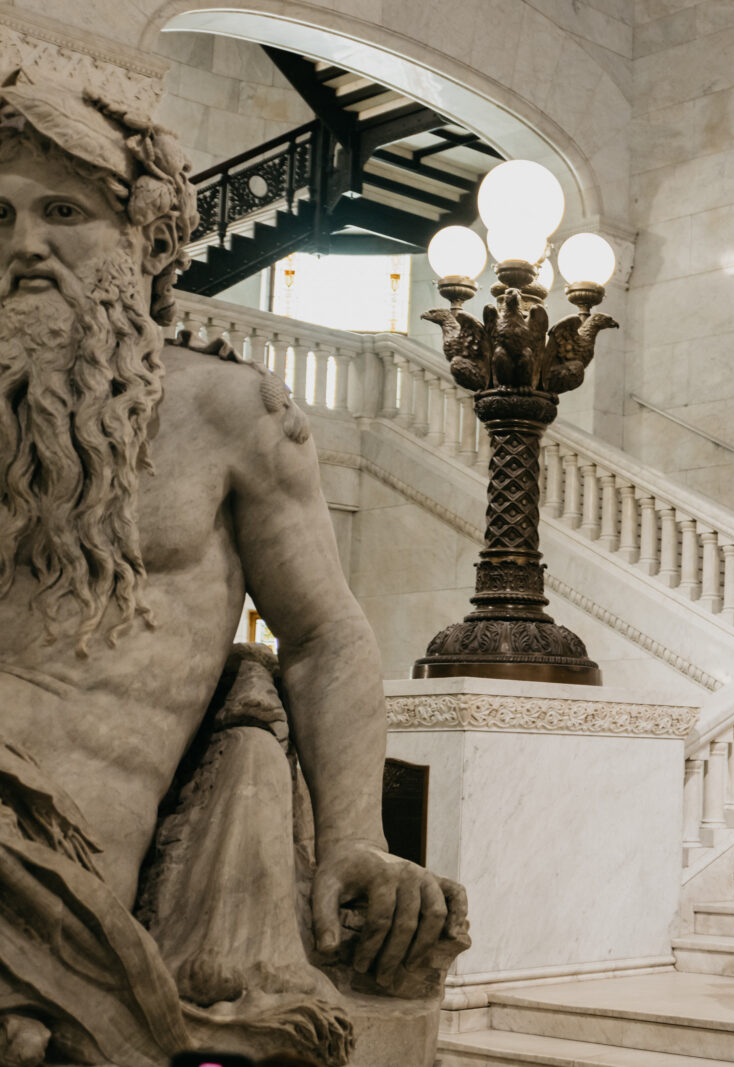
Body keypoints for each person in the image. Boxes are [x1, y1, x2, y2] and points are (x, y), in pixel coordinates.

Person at [0, 76, 462, 1062]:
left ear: (145, 239)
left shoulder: (225, 412)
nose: (24, 242)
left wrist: (352, 834)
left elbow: (325, 634)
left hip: (65, 880)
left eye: (63, 210)